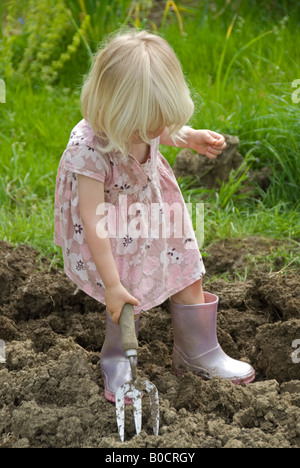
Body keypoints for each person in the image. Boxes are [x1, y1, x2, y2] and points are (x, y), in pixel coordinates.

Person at [54, 30, 255, 404]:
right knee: (128, 291)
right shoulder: (88, 151)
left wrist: (189, 136)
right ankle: (118, 359)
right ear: (114, 112)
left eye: (162, 125)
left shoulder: (140, 120)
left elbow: (162, 131)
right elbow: (94, 222)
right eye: (149, 127)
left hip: (155, 211)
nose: (157, 134)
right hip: (110, 229)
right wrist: (112, 286)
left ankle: (198, 354)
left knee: (186, 269)